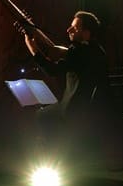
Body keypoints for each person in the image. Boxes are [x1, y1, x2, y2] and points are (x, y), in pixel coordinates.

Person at [20, 11, 108, 161]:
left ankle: (43, 157)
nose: (69, 30)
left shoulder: (77, 51)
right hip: (93, 112)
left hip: (70, 111)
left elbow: (52, 70)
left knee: (40, 115)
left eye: (74, 28)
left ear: (86, 33)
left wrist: (32, 46)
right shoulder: (99, 52)